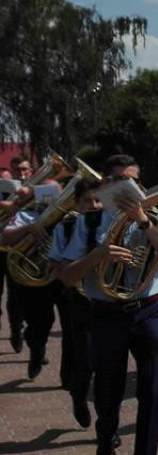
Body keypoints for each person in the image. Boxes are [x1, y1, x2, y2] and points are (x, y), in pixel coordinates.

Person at [58, 154, 158, 455]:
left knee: (152, 395)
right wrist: (98, 255)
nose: (126, 186)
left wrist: (143, 222)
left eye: (133, 181)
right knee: (108, 393)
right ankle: (106, 432)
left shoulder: (153, 216)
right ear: (107, 185)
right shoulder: (89, 223)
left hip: (148, 312)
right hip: (107, 315)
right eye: (118, 180)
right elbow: (66, 277)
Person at [49, 176, 103, 428]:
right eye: (87, 201)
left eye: (98, 200)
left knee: (106, 365)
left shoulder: (111, 223)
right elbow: (57, 267)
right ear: (77, 204)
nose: (94, 205)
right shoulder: (67, 226)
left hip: (109, 302)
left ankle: (106, 426)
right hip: (80, 300)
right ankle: (78, 396)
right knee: (85, 360)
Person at [1, 177, 66, 381]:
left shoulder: (70, 216)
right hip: (36, 278)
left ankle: (69, 376)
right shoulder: (27, 215)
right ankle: (37, 350)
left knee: (72, 328)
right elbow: (5, 237)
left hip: (64, 276)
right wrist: (29, 229)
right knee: (40, 321)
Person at [2, 156, 31, 352]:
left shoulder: (38, 190)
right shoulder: (5, 189)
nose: (21, 174)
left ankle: (19, 331)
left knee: (17, 294)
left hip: (20, 248)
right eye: (17, 171)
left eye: (24, 170)